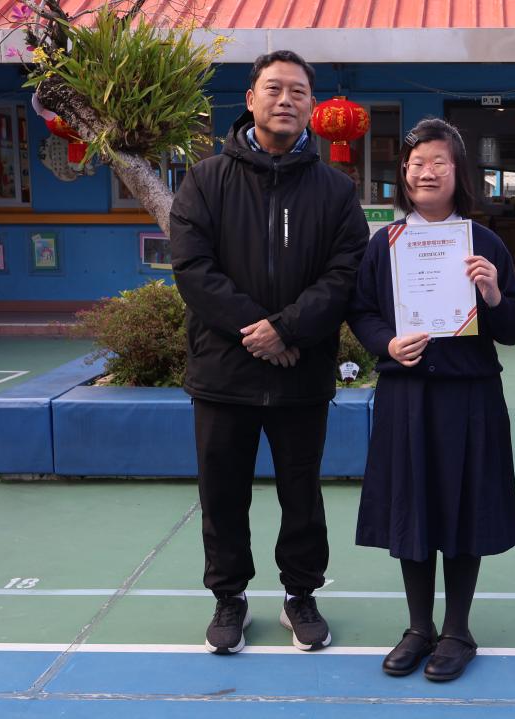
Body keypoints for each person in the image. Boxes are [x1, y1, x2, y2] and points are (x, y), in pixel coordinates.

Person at [169, 50, 370, 656]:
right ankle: (228, 597)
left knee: (301, 493)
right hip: (223, 371)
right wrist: (257, 331)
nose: (286, 100)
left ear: (312, 105)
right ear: (250, 99)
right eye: (274, 88)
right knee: (222, 493)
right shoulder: (205, 180)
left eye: (298, 91)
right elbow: (193, 268)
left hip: (300, 370)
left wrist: (287, 330)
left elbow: (345, 272)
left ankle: (300, 594)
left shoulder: (336, 190)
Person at [347, 118, 515, 682]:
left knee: (464, 508)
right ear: (404, 173)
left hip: (470, 397)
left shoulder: (484, 243)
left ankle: (457, 630)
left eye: (439, 163)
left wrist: (493, 293)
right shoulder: (386, 243)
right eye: (416, 164)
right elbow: (362, 311)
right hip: (407, 395)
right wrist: (386, 343)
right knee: (414, 506)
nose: (426, 173)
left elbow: (513, 326)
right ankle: (418, 627)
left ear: (458, 172)